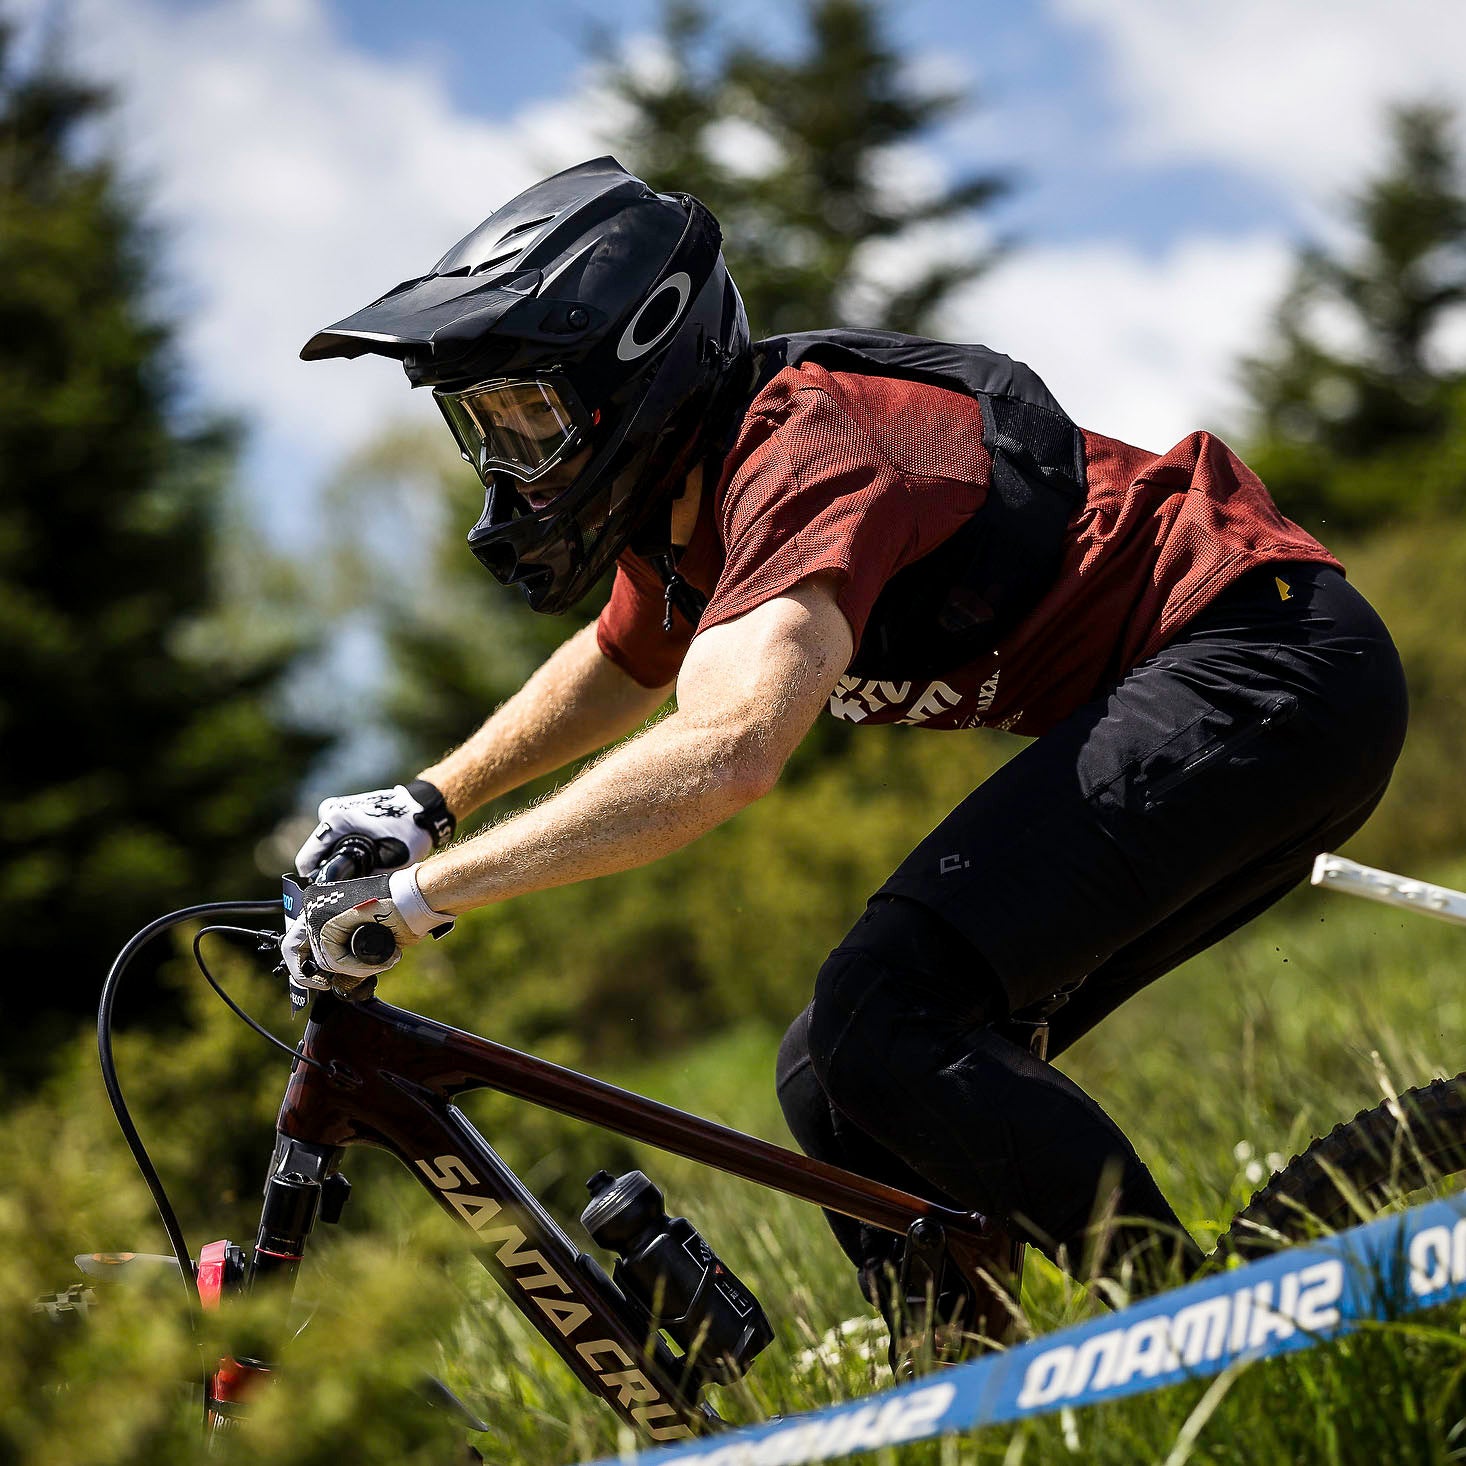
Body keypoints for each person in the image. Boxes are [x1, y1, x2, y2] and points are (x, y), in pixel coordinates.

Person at [284, 157, 1408, 1357]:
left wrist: (416, 897)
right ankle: (972, 1396)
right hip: (1254, 684)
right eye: (483, 432)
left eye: (526, 421)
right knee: (834, 1072)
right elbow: (621, 663)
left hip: (1266, 658)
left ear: (632, 375)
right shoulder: (697, 504)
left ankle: (1217, 1359)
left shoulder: (805, 452)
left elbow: (724, 751)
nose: (507, 467)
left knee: (885, 1013)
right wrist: (424, 801)